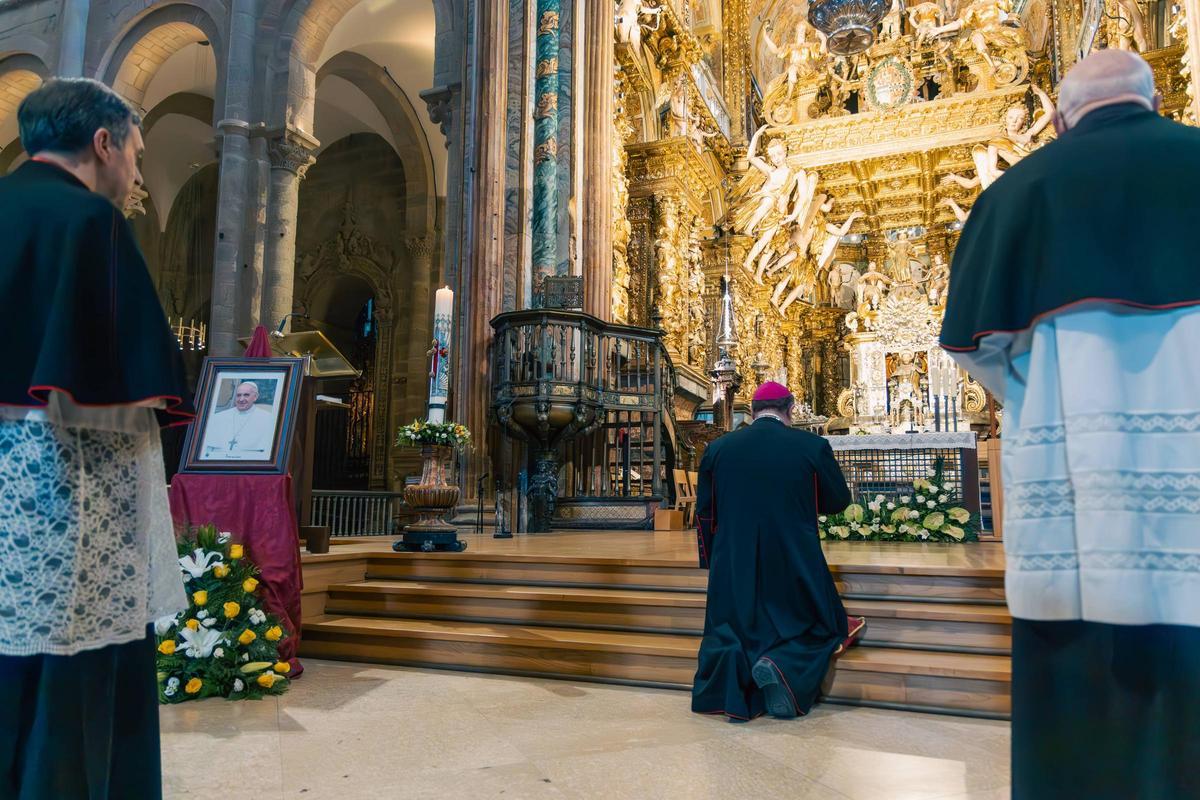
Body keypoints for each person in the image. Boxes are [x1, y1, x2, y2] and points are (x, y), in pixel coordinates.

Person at [940, 50, 1200, 799]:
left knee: (1080, 739)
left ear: (1057, 117)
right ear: (1154, 98)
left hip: (1076, 520)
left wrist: (1038, 392)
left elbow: (975, 348)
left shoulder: (1020, 192)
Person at [0, 78, 192, 798]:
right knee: (68, 680)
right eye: (136, 154)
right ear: (103, 144)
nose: (138, 174)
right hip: (61, 503)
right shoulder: (89, 224)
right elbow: (120, 393)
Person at [692, 381, 866, 721]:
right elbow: (837, 501)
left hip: (733, 560)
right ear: (789, 410)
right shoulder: (811, 445)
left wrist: (714, 560)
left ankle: (731, 690)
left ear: (754, 412)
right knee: (821, 626)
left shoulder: (719, 448)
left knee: (731, 630)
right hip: (792, 556)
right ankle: (782, 666)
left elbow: (705, 513)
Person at [202, 380, 277, 459]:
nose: (241, 399)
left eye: (246, 395)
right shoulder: (218, 417)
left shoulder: (267, 419)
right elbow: (208, 450)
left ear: (255, 397)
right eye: (238, 395)